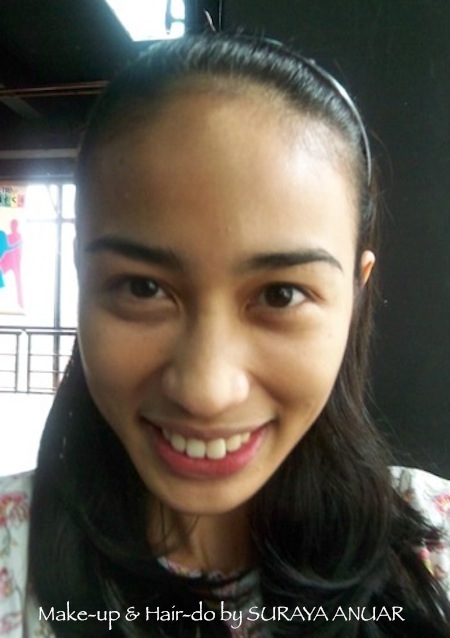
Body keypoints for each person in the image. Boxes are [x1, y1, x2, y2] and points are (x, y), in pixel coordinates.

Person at [1, 33, 449, 638]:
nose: (206, 392)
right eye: (143, 288)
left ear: (355, 292)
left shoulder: (436, 546)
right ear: (84, 278)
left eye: (280, 294)